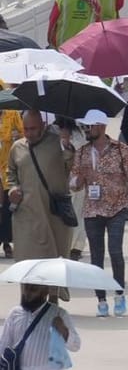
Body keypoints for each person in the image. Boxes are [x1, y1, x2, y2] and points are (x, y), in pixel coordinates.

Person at [67, 109, 128, 317]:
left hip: (117, 207)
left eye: (90, 126)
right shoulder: (82, 152)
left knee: (116, 252)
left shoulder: (121, 150)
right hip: (93, 210)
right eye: (86, 127)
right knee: (96, 257)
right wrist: (79, 179)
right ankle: (101, 300)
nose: (87, 130)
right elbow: (72, 183)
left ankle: (119, 294)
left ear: (101, 126)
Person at [7, 112, 73, 266]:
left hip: (54, 215)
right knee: (27, 266)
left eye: (33, 128)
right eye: (26, 129)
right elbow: (11, 173)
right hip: (27, 216)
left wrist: (67, 146)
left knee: (57, 266)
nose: (29, 133)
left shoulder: (57, 143)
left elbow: (71, 168)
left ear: (43, 125)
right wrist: (13, 188)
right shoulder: (17, 147)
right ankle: (28, 291)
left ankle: (58, 292)